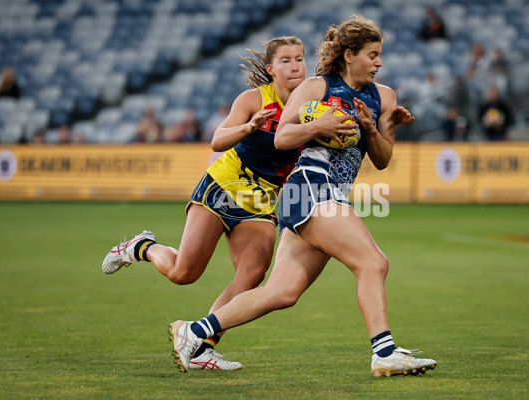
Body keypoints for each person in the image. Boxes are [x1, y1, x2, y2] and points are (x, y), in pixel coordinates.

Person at [168, 15, 437, 377]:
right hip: (309, 186)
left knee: (282, 292)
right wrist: (319, 125)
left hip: (327, 194)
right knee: (374, 263)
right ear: (348, 55)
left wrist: (374, 129)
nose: (379, 62)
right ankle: (384, 352)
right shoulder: (315, 87)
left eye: (380, 55)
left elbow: (383, 159)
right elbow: (282, 138)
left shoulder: (383, 96)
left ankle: (193, 331)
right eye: (372, 55)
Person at [101, 36, 307, 370]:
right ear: (270, 69)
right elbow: (217, 140)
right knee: (184, 273)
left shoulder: (310, 104)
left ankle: (201, 347)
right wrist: (247, 126)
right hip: (223, 187)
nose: (295, 65)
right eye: (286, 60)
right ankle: (141, 247)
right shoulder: (254, 99)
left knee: (252, 275)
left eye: (299, 58)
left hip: (261, 201)